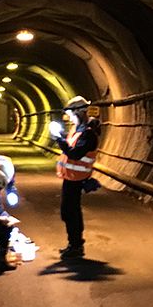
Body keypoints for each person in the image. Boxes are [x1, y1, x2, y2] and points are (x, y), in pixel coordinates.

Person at [50, 96, 99, 259]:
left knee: (72, 212)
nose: (69, 117)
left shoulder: (88, 134)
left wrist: (58, 138)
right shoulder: (77, 130)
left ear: (80, 112)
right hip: (70, 178)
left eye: (71, 113)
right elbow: (70, 146)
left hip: (77, 179)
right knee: (67, 212)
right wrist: (61, 136)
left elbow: (74, 153)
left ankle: (77, 245)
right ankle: (74, 244)